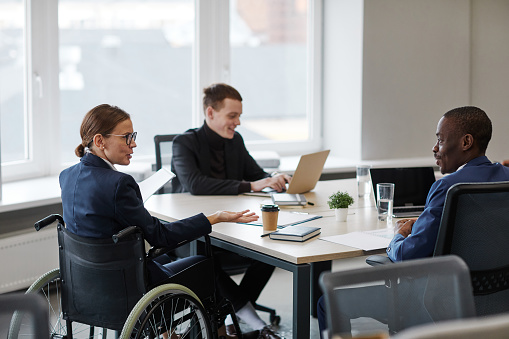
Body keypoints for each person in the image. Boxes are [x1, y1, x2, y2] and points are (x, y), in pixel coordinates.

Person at [60, 104, 281, 339]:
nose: (133, 144)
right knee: (203, 264)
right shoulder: (118, 183)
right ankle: (219, 335)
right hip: (126, 288)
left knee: (164, 258)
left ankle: (170, 334)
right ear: (100, 140)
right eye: (127, 137)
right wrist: (213, 218)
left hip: (87, 284)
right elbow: (160, 236)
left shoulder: (68, 176)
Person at [316, 106, 509, 338]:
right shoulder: (505, 178)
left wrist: (397, 236)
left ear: (466, 142)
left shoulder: (448, 187)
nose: (435, 148)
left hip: (435, 300)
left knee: (328, 302)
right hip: (497, 296)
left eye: (440, 140)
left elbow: (407, 256)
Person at [170, 83, 291, 195]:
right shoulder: (183, 143)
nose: (238, 122)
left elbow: (256, 174)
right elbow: (195, 184)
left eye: (239, 116)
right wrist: (251, 186)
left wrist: (275, 177)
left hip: (230, 210)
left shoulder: (235, 140)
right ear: (210, 113)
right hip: (192, 213)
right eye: (232, 116)